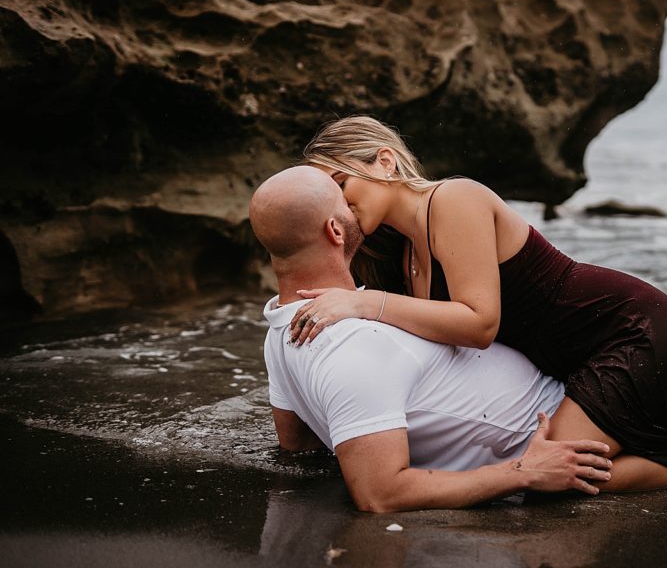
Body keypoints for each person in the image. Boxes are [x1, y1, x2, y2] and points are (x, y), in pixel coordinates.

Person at [288, 115, 667, 485]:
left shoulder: (452, 200)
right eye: (324, 195)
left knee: (561, 478)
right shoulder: (398, 250)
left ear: (385, 161)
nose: (335, 202)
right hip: (579, 355)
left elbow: (479, 323)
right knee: (572, 463)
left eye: (340, 183)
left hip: (630, 329)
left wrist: (363, 304)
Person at [250, 165, 624, 513]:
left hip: (579, 392)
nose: (353, 209)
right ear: (335, 230)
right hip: (556, 432)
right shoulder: (353, 348)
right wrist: (522, 472)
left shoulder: (282, 331)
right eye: (343, 204)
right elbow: (379, 495)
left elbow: (299, 446)